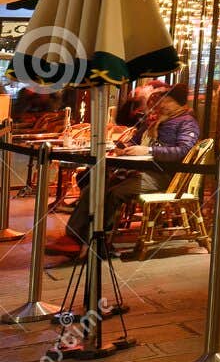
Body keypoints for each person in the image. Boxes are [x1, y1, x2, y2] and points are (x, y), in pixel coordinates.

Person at [47, 83, 201, 258]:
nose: (162, 104)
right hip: (140, 170)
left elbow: (182, 151)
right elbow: (135, 141)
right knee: (96, 184)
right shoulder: (155, 120)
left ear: (178, 103)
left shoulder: (187, 122)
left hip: (164, 176)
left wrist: (149, 151)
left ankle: (97, 241)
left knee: (115, 193)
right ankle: (75, 238)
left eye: (166, 100)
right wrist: (124, 148)